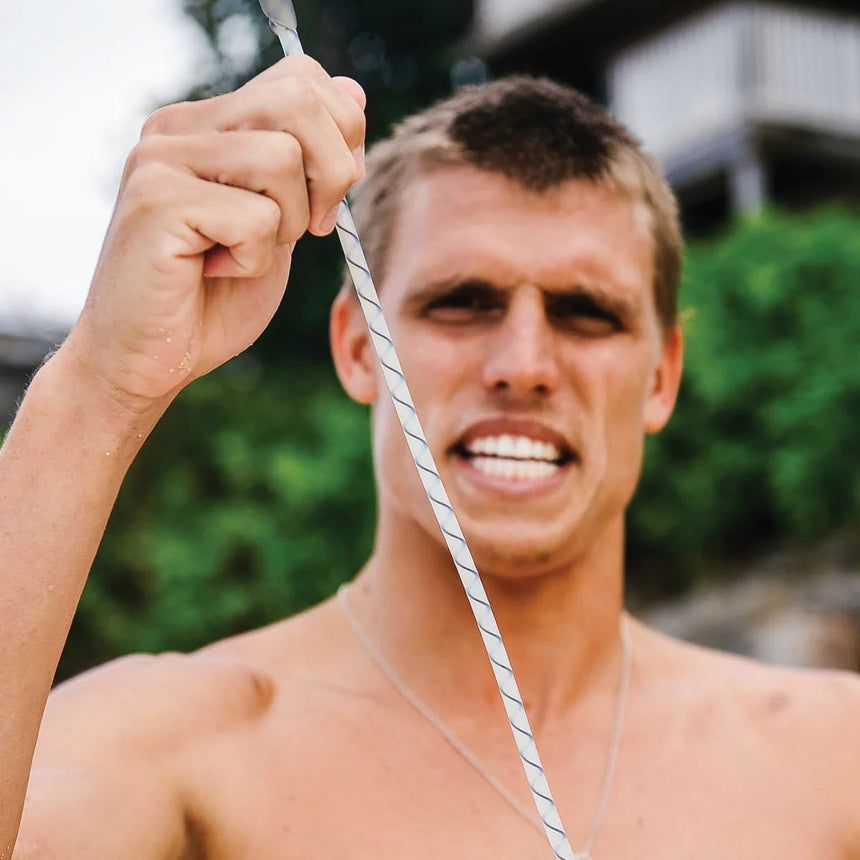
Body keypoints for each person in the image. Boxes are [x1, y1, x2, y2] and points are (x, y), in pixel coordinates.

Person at [1, 56, 858, 859]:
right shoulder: (177, 746)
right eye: (462, 303)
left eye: (586, 312)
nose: (523, 364)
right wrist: (97, 388)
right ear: (357, 346)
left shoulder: (829, 761)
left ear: (662, 377)